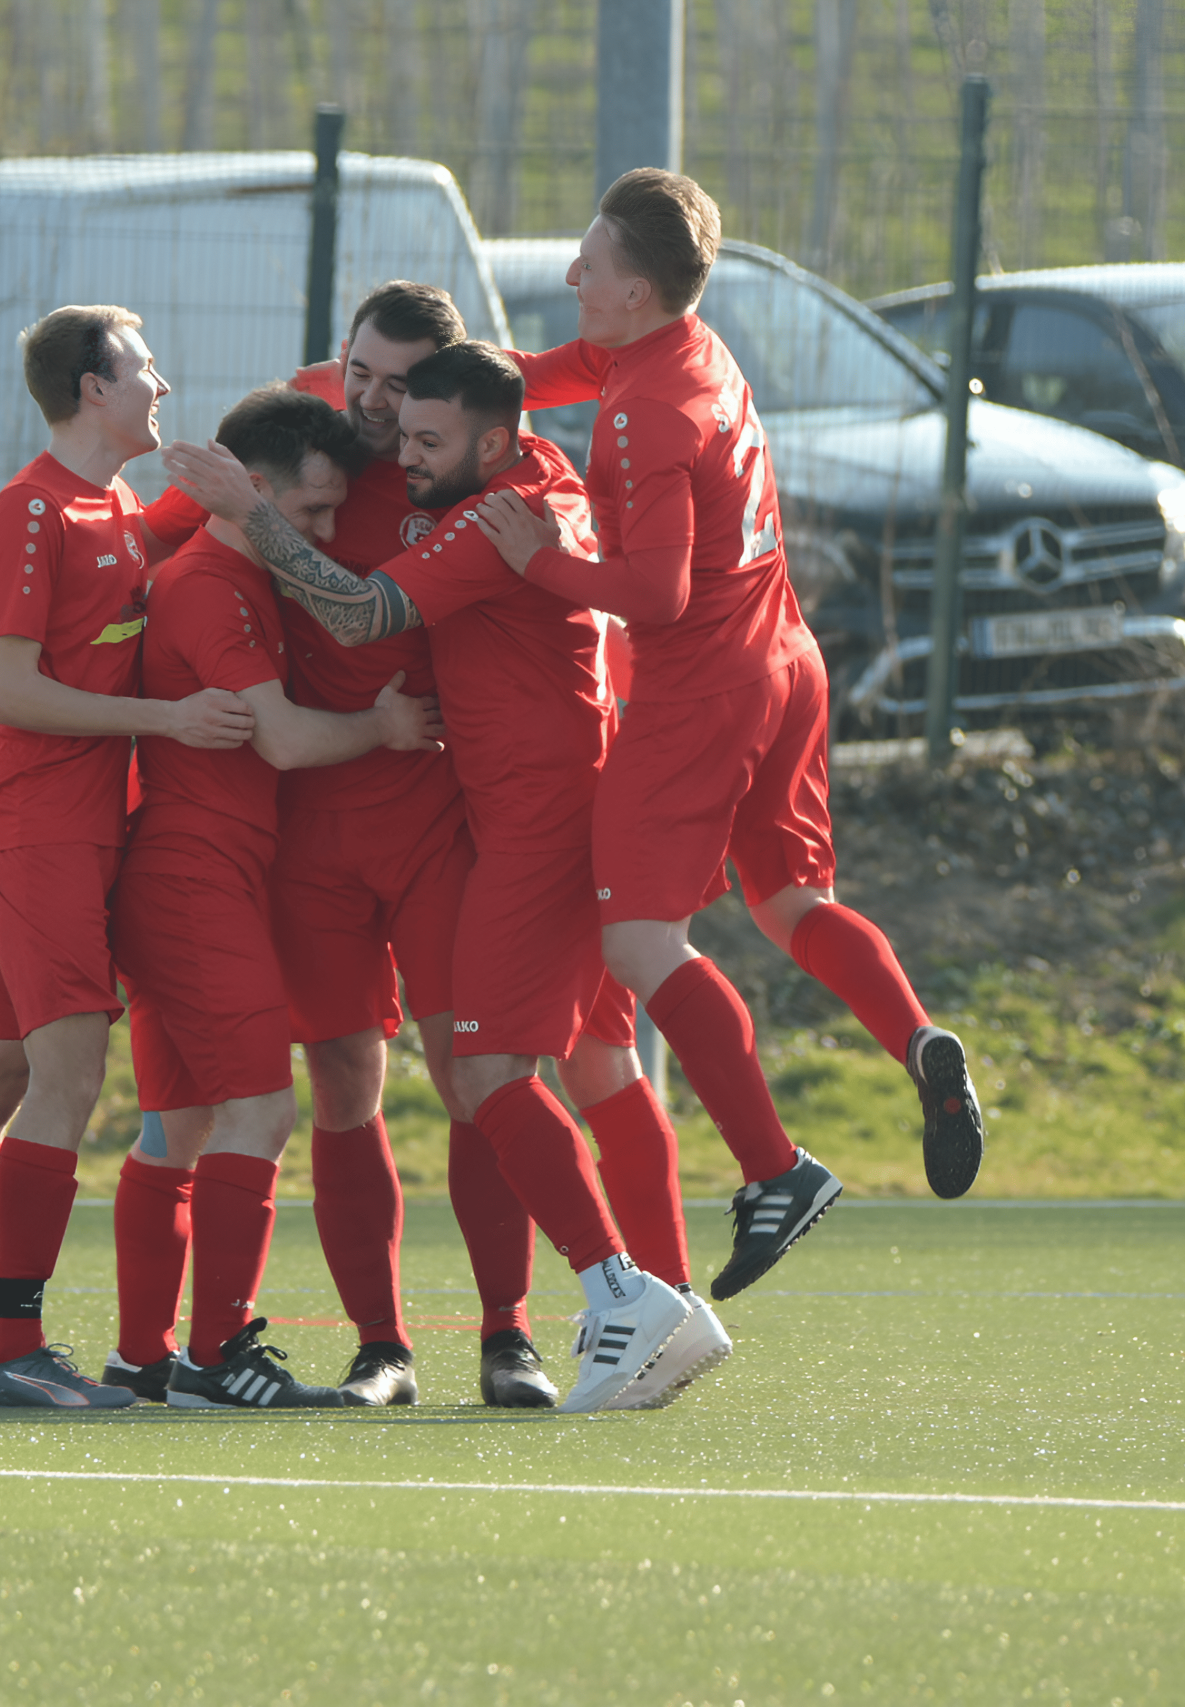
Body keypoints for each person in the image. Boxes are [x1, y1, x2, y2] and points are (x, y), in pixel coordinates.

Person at [164, 341, 724, 1413]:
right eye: (362, 375)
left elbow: (362, 605)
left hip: (468, 829)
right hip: (324, 844)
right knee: (365, 1085)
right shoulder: (324, 452)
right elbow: (177, 523)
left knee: (489, 1076)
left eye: (406, 395)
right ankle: (390, 1346)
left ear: (474, 425)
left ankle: (538, 1325)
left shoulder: (494, 490)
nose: (379, 406)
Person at [471, 169, 988, 1301]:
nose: (571, 278)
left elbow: (650, 596)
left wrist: (535, 563)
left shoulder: (645, 412)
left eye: (590, 266)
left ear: (640, 288)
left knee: (638, 943)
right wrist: (459, 373)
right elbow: (558, 372)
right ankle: (914, 1041)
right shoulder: (686, 349)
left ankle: (774, 1168)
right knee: (789, 903)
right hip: (786, 662)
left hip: (699, 685)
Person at [0, 304, 248, 1409]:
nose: (161, 384)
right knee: (69, 1078)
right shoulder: (31, 507)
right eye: (142, 367)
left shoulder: (110, 502)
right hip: (36, 826)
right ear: (90, 388)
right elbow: (14, 693)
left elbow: (99, 591)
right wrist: (168, 725)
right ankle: (13, 1347)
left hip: (72, 826)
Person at [111, 384, 445, 1411]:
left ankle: (141, 1357)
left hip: (185, 870)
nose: (328, 535)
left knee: (178, 1128)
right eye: (309, 513)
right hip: (194, 876)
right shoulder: (215, 583)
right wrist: (387, 730)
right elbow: (289, 739)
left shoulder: (219, 572)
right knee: (259, 1111)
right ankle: (217, 1357)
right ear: (251, 493)